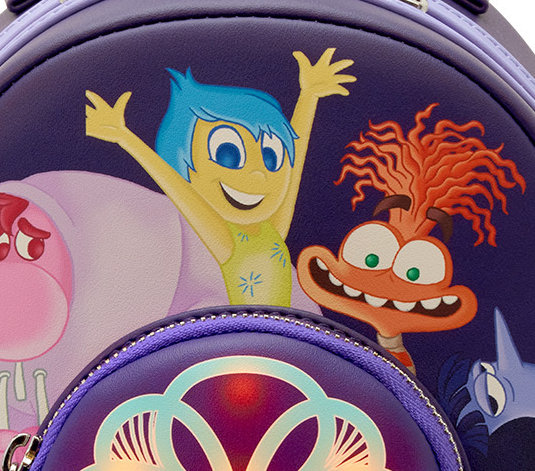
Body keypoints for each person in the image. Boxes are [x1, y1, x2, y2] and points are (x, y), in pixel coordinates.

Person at [84, 50, 355, 306]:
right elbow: (181, 192)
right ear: (188, 170)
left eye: (271, 158)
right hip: (248, 334)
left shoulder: (272, 230)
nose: (258, 173)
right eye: (227, 154)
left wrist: (309, 96)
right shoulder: (228, 242)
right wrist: (126, 138)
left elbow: (293, 167)